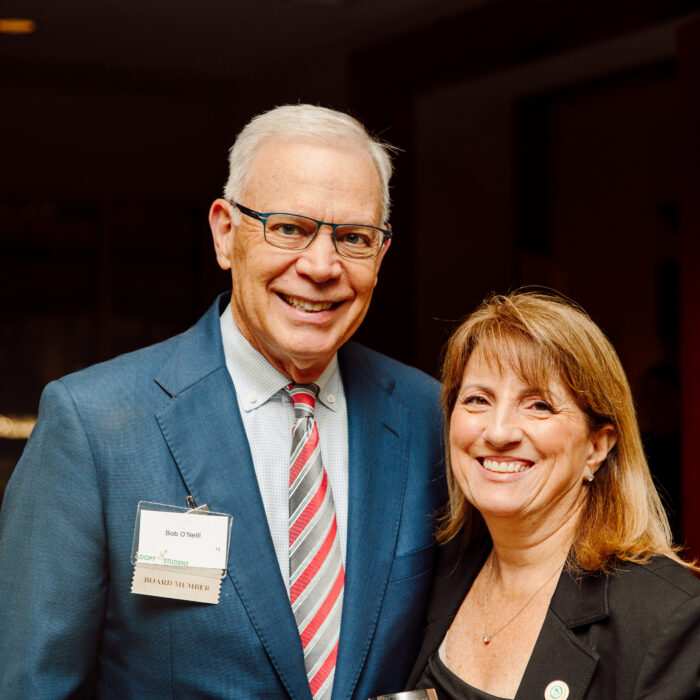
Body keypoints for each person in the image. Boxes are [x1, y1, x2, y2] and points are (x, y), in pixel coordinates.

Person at [0, 105, 445, 699]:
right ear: (225, 233)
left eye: (353, 238)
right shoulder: (94, 425)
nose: (320, 266)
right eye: (289, 228)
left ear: (381, 254)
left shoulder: (429, 416)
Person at [406, 291, 700, 699]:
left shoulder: (667, 617)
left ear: (597, 447)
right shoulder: (433, 571)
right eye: (477, 400)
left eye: (539, 405)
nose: (498, 432)